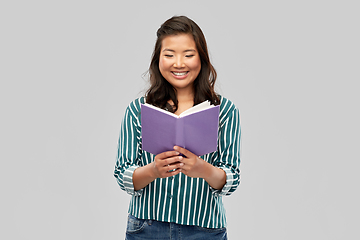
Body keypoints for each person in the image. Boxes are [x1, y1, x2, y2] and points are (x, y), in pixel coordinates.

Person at [114, 16, 241, 240]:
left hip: (205, 229)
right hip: (147, 227)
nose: (179, 63)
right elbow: (123, 173)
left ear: (201, 58)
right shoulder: (138, 110)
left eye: (188, 55)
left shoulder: (225, 111)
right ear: (158, 60)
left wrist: (203, 169)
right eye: (169, 55)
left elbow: (231, 178)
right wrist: (153, 170)